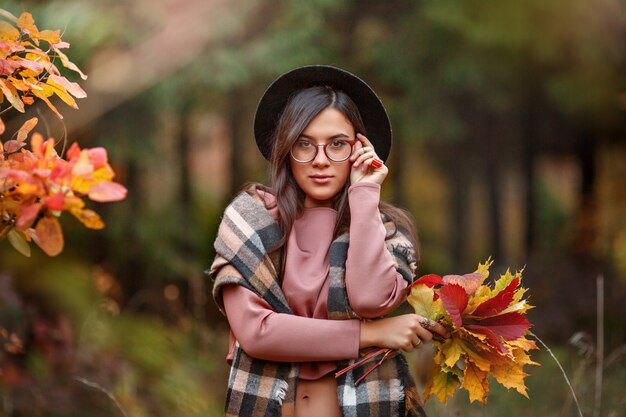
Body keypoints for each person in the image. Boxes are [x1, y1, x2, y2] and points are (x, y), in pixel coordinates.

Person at [209, 65, 449, 417]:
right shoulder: (250, 221)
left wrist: (365, 192)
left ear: (359, 148)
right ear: (286, 149)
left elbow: (369, 299)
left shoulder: (387, 231)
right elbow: (257, 333)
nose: (320, 161)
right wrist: (373, 334)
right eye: (304, 144)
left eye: (338, 144)